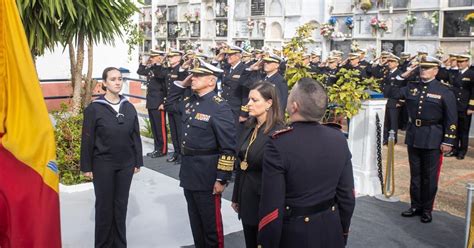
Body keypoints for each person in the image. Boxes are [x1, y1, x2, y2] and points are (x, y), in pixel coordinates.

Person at [257, 78, 356, 248]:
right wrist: (342, 231)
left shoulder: (279, 144)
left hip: (295, 235)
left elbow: (272, 208)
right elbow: (347, 196)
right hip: (331, 230)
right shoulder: (339, 138)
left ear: (294, 106)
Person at [165, 59, 237, 248]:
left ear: (212, 81)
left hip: (208, 174)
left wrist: (222, 178)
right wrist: (182, 84)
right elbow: (170, 105)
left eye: (198, 75)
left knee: (211, 228)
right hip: (189, 172)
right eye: (193, 74)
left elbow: (228, 147)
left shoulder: (219, 106)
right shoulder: (190, 102)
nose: (193, 78)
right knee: (196, 225)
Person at [386, 57, 457, 223]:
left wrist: (448, 140)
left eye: (427, 68)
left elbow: (451, 118)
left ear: (435, 71)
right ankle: (415, 206)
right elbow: (389, 92)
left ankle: (426, 209)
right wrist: (404, 75)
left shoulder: (444, 90)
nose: (423, 71)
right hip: (414, 135)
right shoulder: (411, 87)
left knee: (429, 176)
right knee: (415, 174)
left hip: (433, 136)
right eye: (421, 68)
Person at [80, 67, 143, 248]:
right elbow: (87, 138)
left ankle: (119, 244)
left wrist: (137, 160)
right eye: (113, 79)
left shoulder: (128, 107)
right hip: (103, 164)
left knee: (121, 206)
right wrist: (86, 166)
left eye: (120, 79)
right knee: (104, 207)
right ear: (104, 84)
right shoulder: (94, 109)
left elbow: (135, 135)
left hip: (126, 164)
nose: (117, 82)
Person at [231, 82, 285, 248]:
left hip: (265, 202)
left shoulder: (279, 132)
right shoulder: (250, 126)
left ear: (269, 103)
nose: (249, 104)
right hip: (246, 198)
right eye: (249, 100)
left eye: (254, 100)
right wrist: (236, 196)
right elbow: (242, 162)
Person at [137, 49, 167, 158]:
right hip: (151, 101)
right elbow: (140, 71)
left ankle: (162, 150)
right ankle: (156, 148)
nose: (151, 58)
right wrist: (144, 62)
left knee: (160, 128)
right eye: (151, 57)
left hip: (159, 103)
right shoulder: (152, 68)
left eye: (154, 57)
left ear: (159, 58)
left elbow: (165, 87)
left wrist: (164, 102)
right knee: (154, 128)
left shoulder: (162, 70)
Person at [444, 54, 474, 160]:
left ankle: (462, 151)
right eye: (458, 62)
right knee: (454, 129)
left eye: (462, 62)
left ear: (467, 62)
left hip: (465, 107)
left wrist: (471, 107)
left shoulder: (471, 74)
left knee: (463, 131)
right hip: (454, 106)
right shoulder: (455, 73)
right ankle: (454, 149)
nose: (459, 64)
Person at [381, 55, 405, 144]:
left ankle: (392, 139)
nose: (389, 63)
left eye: (392, 62)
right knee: (385, 121)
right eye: (389, 61)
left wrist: (401, 101)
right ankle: (385, 138)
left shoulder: (400, 73)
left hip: (394, 101)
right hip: (385, 99)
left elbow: (403, 88)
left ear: (397, 63)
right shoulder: (386, 72)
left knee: (393, 121)